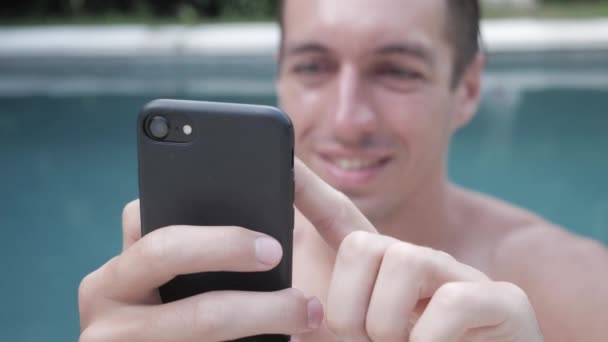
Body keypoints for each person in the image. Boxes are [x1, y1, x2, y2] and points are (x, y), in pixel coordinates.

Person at [78, 0, 608, 341]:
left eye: (397, 71)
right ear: (279, 76)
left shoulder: (580, 290)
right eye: (313, 67)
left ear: (467, 89)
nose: (347, 119)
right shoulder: (173, 284)